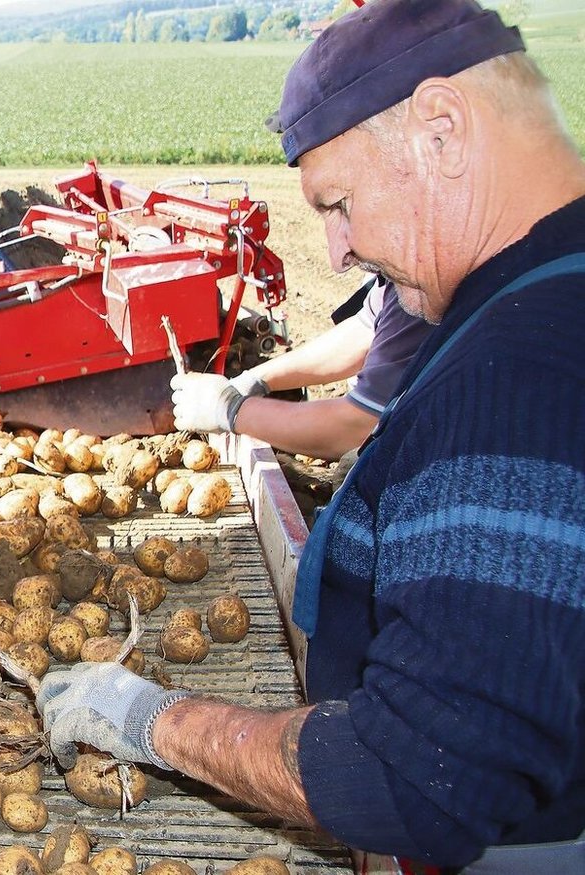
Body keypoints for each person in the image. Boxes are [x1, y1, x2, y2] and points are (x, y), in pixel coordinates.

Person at [40, 1, 585, 871]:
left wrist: (148, 719)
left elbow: (419, 778)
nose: (335, 251)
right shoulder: (540, 293)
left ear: (441, 129)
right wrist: (252, 385)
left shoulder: (517, 376)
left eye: (339, 204)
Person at [170, 274, 433, 460]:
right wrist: (256, 378)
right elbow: (364, 332)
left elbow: (359, 426)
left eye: (339, 209)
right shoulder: (401, 273)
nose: (337, 256)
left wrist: (230, 410)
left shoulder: (425, 286)